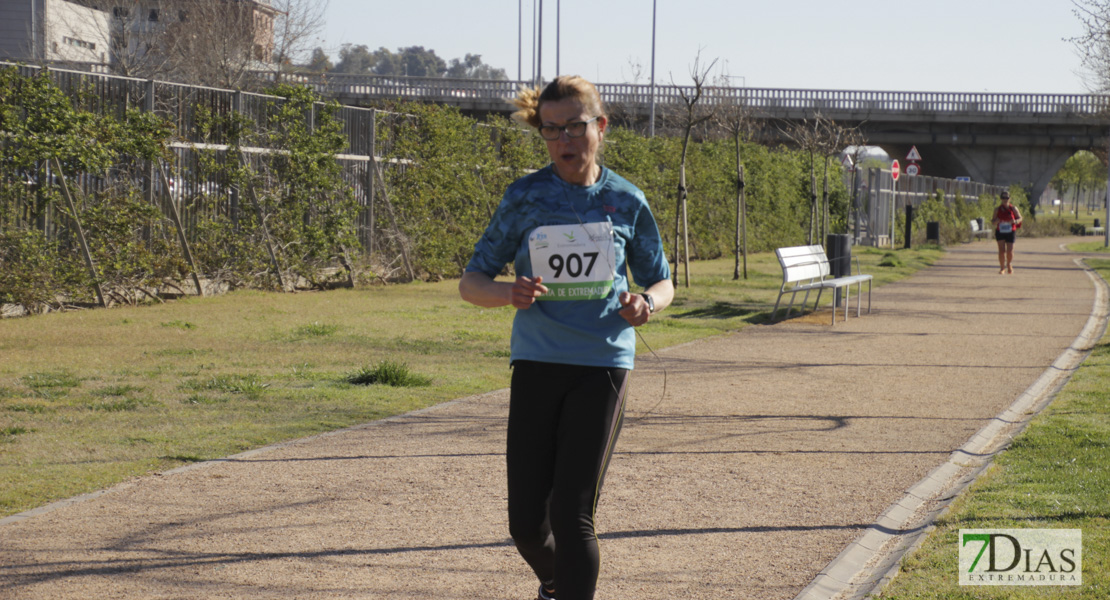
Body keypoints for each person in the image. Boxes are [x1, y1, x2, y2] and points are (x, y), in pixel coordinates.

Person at [458, 75, 674, 600]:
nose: (564, 142)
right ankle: (557, 584)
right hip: (536, 361)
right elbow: (472, 282)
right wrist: (510, 292)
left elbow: (662, 280)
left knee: (572, 512)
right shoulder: (525, 197)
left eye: (575, 128)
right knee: (527, 524)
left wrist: (646, 303)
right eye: (551, 131)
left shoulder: (626, 200)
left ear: (599, 128)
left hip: (603, 363)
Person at [991, 190, 1023, 274]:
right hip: (1000, 231)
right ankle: (1002, 268)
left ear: (1010, 199)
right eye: (1003, 197)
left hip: (1010, 231)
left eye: (1007, 197)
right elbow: (993, 221)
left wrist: (1015, 222)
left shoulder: (1013, 208)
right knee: (1001, 251)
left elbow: (1020, 218)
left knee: (1010, 251)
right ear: (1001, 199)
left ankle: (1009, 264)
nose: (1005, 199)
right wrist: (996, 221)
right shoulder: (997, 209)